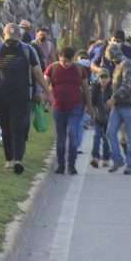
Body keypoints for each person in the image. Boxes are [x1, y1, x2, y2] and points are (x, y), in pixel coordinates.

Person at [0, 24, 50, 175]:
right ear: (4, 36)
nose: (12, 42)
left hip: (22, 96)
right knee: (6, 128)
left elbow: (37, 72)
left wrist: (47, 91)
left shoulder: (27, 50)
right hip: (1, 96)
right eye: (9, 39)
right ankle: (9, 159)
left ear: (19, 37)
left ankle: (18, 160)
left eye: (14, 39)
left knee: (18, 127)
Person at [44, 47, 91, 175]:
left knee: (72, 135)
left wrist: (90, 107)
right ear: (59, 57)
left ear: (73, 59)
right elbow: (45, 85)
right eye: (64, 61)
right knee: (60, 138)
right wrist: (45, 99)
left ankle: (71, 165)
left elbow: (86, 89)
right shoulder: (52, 68)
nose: (66, 64)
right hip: (58, 107)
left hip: (76, 107)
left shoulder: (80, 69)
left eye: (69, 61)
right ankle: (61, 165)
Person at [104, 43, 131, 174]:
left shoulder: (127, 64)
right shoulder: (118, 65)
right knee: (110, 132)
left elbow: (127, 85)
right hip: (118, 106)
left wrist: (113, 98)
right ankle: (118, 159)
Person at [90, 68, 112, 168]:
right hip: (98, 117)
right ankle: (95, 157)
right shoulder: (95, 88)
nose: (103, 80)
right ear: (98, 78)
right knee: (96, 137)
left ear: (109, 78)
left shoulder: (112, 89)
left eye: (105, 77)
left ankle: (106, 158)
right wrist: (94, 115)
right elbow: (92, 103)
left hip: (109, 118)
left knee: (106, 138)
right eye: (101, 77)